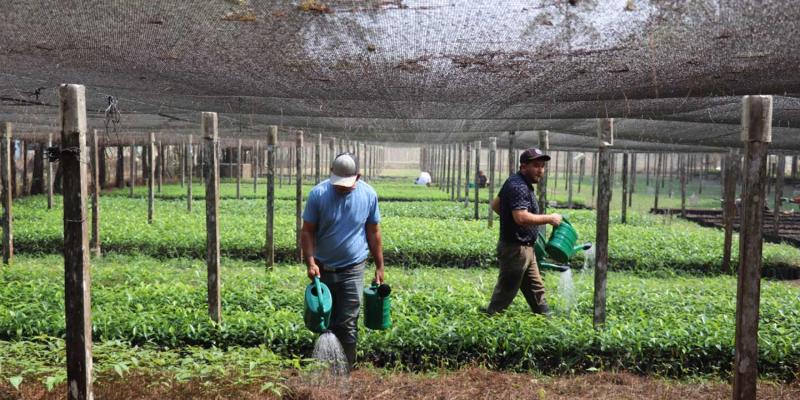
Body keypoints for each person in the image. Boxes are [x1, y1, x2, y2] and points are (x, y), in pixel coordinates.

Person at [301, 152, 385, 371]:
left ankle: (346, 370)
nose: (342, 187)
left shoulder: (368, 195)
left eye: (347, 184)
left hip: (353, 269)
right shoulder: (318, 194)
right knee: (322, 319)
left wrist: (379, 266)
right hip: (323, 269)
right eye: (338, 183)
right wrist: (310, 261)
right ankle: (324, 368)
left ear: (358, 176)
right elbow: (307, 231)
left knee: (348, 323)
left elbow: (374, 232)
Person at [483, 148, 562, 315]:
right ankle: (488, 321)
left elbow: (496, 204)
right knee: (505, 291)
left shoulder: (518, 182)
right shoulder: (518, 186)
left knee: (536, 288)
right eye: (536, 166)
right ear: (523, 166)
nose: (540, 170)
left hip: (525, 247)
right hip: (515, 249)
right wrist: (549, 218)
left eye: (542, 166)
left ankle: (546, 318)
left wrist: (509, 219)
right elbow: (521, 217)